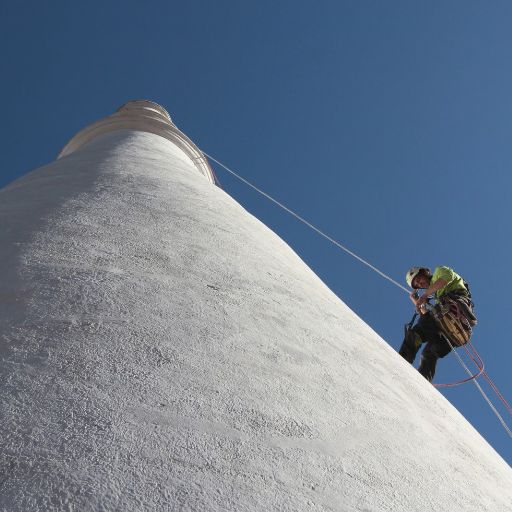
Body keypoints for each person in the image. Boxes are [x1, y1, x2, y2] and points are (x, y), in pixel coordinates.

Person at [399, 266, 475, 382]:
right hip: (451, 328)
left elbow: (446, 278)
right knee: (429, 354)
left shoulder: (440, 271)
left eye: (419, 279)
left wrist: (424, 296)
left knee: (416, 334)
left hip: (454, 312)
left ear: (425, 272)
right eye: (417, 285)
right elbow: (428, 320)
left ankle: (400, 364)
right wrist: (419, 304)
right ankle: (423, 384)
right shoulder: (437, 296)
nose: (420, 284)